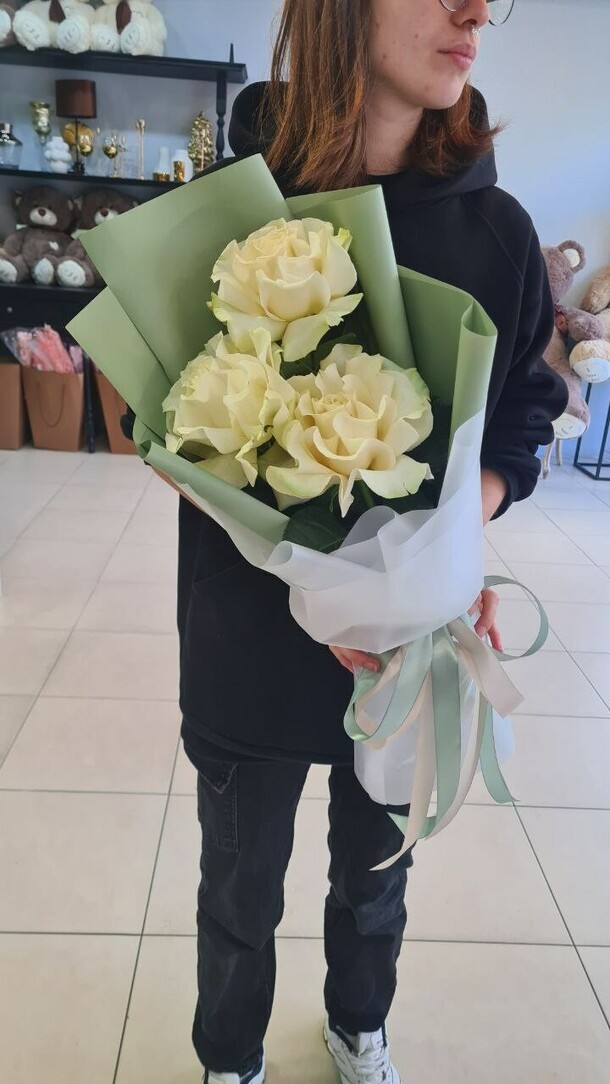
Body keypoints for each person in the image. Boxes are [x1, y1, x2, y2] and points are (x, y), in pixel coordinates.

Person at [175, 2, 568, 1082]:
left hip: (406, 651)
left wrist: (448, 542)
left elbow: (526, 409)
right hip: (247, 636)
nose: (476, 9)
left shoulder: (497, 232)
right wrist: (302, 566)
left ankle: (359, 1026)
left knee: (375, 878)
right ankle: (229, 1058)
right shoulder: (232, 202)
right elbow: (160, 413)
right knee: (239, 889)